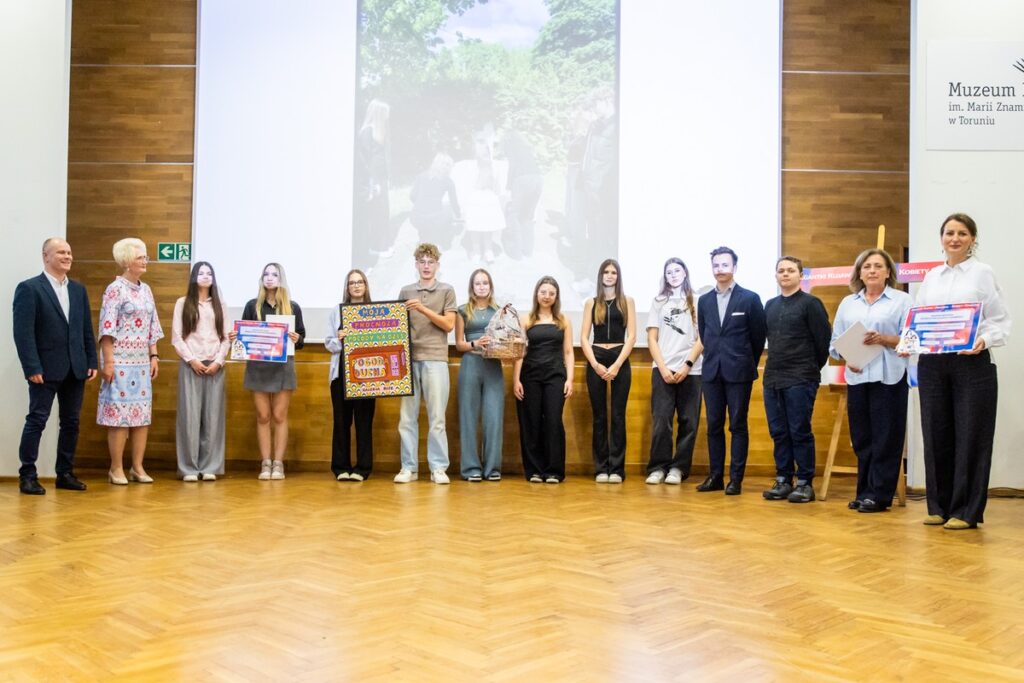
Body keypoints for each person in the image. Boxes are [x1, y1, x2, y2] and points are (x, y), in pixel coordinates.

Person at [914, 213, 1010, 530]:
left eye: (963, 233)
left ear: (972, 239)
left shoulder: (983, 273)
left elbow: (999, 319)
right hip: (932, 364)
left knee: (972, 435)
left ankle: (965, 511)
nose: (955, 238)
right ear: (941, 238)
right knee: (935, 432)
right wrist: (909, 341)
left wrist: (983, 339)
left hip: (972, 362)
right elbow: (921, 319)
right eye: (949, 233)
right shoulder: (931, 277)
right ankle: (939, 507)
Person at [12, 238, 98, 495]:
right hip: (44, 369)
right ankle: (27, 475)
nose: (67, 256)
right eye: (61, 252)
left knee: (71, 422)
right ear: (45, 256)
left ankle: (65, 473)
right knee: (37, 420)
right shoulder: (29, 289)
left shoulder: (78, 290)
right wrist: (31, 367)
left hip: (76, 368)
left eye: (69, 252)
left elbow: (85, 329)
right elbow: (23, 333)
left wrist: (91, 361)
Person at [831, 249, 913, 513]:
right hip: (857, 376)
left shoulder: (902, 300)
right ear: (859, 273)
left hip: (889, 377)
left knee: (886, 438)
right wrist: (846, 356)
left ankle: (880, 495)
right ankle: (864, 491)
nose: (872, 271)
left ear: (888, 272)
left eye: (878, 266)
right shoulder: (848, 303)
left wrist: (885, 339)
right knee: (862, 437)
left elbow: (912, 340)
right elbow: (834, 344)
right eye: (867, 267)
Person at [696, 246, 766, 495]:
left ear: (734, 267)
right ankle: (715, 476)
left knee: (737, 425)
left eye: (725, 265)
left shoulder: (749, 298)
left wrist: (745, 361)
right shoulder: (703, 301)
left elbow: (758, 337)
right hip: (712, 372)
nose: (720, 270)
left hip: (739, 372)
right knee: (713, 424)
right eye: (716, 265)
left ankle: (735, 479)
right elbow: (704, 334)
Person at [761, 256, 831, 504]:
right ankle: (783, 479)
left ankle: (804, 482)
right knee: (778, 431)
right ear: (776, 275)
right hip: (772, 378)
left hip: (801, 377)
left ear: (801, 275)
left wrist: (809, 369)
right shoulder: (769, 305)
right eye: (781, 270)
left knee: (799, 430)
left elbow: (823, 343)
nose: (785, 274)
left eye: (791, 270)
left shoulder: (811, 304)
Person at [97, 238, 164, 485]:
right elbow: (106, 327)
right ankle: (116, 468)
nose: (145, 261)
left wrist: (154, 355)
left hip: (141, 363)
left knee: (141, 416)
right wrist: (109, 362)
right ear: (127, 261)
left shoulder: (146, 289)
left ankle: (137, 467)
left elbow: (152, 326)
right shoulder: (115, 289)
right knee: (119, 417)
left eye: (145, 257)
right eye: (140, 257)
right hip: (120, 362)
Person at [395, 243, 457, 484]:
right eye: (422, 262)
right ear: (416, 265)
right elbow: (396, 325)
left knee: (437, 418)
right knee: (406, 418)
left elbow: (449, 325)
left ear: (437, 265)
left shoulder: (447, 290)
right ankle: (408, 468)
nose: (426, 266)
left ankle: (438, 467)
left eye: (431, 262)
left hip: (436, 359)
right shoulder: (405, 291)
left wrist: (422, 308)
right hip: (408, 360)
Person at [238, 263, 305, 480]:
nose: (269, 278)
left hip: (283, 368)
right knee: (263, 416)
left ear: (281, 279)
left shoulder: (292, 307)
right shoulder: (252, 306)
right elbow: (244, 337)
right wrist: (237, 337)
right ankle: (265, 463)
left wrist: (297, 338)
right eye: (265, 274)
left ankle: (278, 463)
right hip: (258, 368)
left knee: (279, 415)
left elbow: (301, 338)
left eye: (274, 274)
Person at [645, 258, 703, 486]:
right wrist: (663, 368)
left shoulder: (698, 301)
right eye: (669, 272)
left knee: (689, 421)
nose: (673, 275)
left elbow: (702, 338)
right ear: (665, 276)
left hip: (692, 371)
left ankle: (678, 468)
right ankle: (658, 467)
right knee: (661, 421)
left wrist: (686, 365)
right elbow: (651, 338)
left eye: (677, 270)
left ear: (685, 273)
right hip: (662, 370)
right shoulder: (659, 301)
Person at [171, 261, 230, 482]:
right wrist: (192, 360)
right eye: (201, 272)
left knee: (212, 418)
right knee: (190, 417)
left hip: (215, 366)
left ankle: (210, 466)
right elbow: (177, 337)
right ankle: (188, 468)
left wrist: (219, 361)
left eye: (209, 273)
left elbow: (226, 338)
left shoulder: (220, 304)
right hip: (191, 365)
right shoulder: (182, 303)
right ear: (194, 276)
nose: (205, 276)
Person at [514, 276, 574, 483]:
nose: (547, 296)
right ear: (536, 294)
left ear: (556, 296)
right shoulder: (526, 320)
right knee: (531, 422)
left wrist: (570, 379)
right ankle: (534, 470)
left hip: (556, 377)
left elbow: (568, 352)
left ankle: (554, 471)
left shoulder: (563, 320)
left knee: (553, 421)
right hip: (529, 377)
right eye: (543, 292)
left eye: (551, 293)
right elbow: (520, 352)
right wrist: (516, 380)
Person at [580, 259, 635, 483]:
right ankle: (601, 467)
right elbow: (583, 337)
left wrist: (617, 365)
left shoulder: (627, 301)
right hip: (597, 358)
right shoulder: (591, 303)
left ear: (618, 276)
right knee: (600, 416)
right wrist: (595, 364)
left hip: (620, 358)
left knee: (618, 416)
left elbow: (632, 336)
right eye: (606, 272)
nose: (610, 275)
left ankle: (617, 469)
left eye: (613, 272)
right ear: (600, 276)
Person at [325, 269, 376, 481]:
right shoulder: (337, 311)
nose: (356, 286)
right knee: (341, 421)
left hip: (368, 375)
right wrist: (340, 339)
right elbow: (328, 343)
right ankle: (341, 467)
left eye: (360, 282)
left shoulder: (376, 311)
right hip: (341, 376)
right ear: (347, 287)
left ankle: (363, 468)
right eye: (352, 283)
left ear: (366, 285)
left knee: (364, 423)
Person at [454, 269, 504, 481]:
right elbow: (458, 344)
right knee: (468, 417)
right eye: (478, 283)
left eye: (485, 283)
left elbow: (508, 339)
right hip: (471, 363)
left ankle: (492, 468)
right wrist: (475, 343)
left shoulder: (499, 310)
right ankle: (471, 468)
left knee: (494, 418)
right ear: (472, 287)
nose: (482, 286)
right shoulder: (462, 310)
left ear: (490, 286)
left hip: (493, 365)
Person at [354, 99, 392, 264]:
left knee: (383, 212)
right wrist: (372, 184)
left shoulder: (377, 132)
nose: (387, 118)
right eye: (385, 114)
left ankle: (381, 245)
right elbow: (364, 162)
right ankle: (377, 247)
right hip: (373, 180)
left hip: (381, 178)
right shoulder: (367, 132)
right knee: (377, 213)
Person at [500, 130, 543, 260]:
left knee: (514, 215)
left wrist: (508, 186)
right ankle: (528, 250)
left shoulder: (511, 146)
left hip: (522, 179)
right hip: (538, 179)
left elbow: (512, 166)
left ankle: (517, 252)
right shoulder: (526, 147)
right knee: (528, 215)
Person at [410, 153, 462, 250]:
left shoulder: (421, 176)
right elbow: (454, 202)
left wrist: (421, 206)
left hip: (415, 217)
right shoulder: (448, 181)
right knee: (446, 211)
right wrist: (458, 215)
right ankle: (437, 241)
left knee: (427, 217)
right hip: (435, 219)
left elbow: (412, 196)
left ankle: (423, 239)